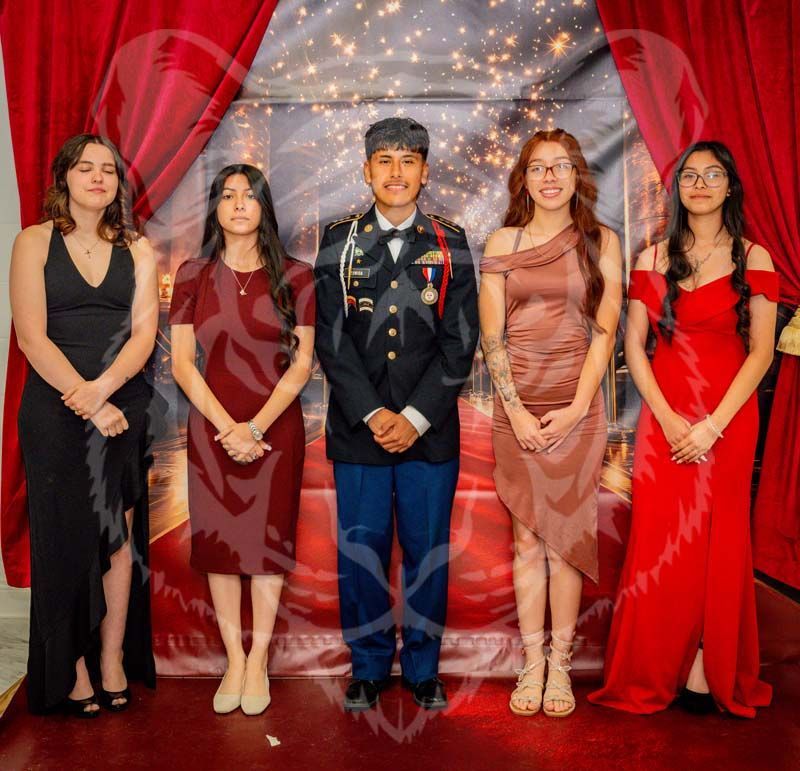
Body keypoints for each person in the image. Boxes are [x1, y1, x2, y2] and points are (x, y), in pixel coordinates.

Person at [588, 141, 777, 717]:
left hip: (729, 418)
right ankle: (653, 668)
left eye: (712, 175)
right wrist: (670, 419)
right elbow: (634, 347)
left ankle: (705, 664)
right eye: (690, 175)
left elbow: (762, 352)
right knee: (662, 542)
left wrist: (712, 426)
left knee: (719, 539)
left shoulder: (756, 258)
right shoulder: (651, 258)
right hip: (664, 418)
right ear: (677, 189)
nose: (700, 184)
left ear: (730, 186)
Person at [314, 117, 479, 711]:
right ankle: (367, 665)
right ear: (366, 170)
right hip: (358, 429)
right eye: (384, 160)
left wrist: (413, 416)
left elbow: (461, 341)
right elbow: (330, 339)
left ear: (425, 171)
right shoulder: (337, 240)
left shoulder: (450, 240)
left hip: (428, 432)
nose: (396, 171)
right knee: (361, 553)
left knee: (427, 552)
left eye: (408, 160)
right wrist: (372, 413)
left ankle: (423, 667)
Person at [10, 134, 158, 716]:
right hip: (54, 408)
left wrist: (105, 390)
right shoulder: (33, 242)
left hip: (125, 402)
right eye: (85, 168)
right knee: (64, 537)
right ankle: (71, 666)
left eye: (108, 170)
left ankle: (112, 658)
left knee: (117, 537)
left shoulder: (138, 248)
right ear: (64, 178)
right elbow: (31, 337)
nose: (98, 177)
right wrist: (89, 401)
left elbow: (144, 336)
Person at [480, 129, 622, 717]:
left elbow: (605, 333)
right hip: (517, 405)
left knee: (565, 544)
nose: (550, 177)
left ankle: (560, 664)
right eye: (538, 168)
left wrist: (577, 407)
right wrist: (515, 410)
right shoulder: (503, 240)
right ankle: (531, 662)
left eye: (561, 166)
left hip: (577, 405)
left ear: (577, 175)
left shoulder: (601, 241)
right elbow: (492, 336)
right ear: (524, 179)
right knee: (525, 540)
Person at [169, 164, 315, 716]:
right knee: (221, 547)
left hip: (276, 428)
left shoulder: (296, 276)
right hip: (211, 428)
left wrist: (254, 427)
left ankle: (258, 661)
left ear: (264, 208)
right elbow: (183, 364)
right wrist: (227, 427)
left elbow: (302, 363)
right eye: (227, 195)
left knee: (267, 546)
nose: (237, 204)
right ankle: (233, 658)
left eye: (248, 196)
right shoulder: (193, 275)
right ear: (215, 208)